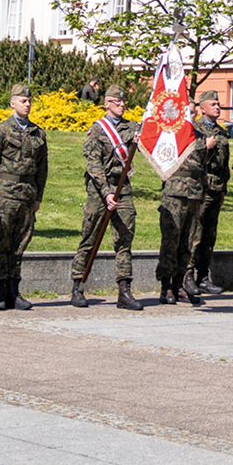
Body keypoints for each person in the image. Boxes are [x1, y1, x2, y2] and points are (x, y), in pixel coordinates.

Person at [0, 84, 48, 312]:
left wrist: (38, 196)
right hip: (4, 194)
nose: (27, 104)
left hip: (27, 194)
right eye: (22, 101)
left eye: (29, 101)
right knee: (1, 244)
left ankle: (14, 291)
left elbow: (42, 169)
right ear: (12, 103)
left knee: (20, 245)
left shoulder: (38, 133)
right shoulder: (1, 131)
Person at [77, 84, 140, 310]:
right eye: (116, 101)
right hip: (99, 189)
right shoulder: (97, 130)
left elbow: (145, 147)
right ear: (106, 103)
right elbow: (93, 164)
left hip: (122, 187)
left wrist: (142, 138)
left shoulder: (132, 128)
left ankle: (124, 290)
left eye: (123, 101)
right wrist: (106, 193)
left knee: (124, 238)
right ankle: (78, 285)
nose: (121, 104)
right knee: (90, 236)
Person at [154, 91, 212, 308]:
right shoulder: (170, 133)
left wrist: (203, 196)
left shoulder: (200, 134)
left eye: (194, 106)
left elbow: (203, 169)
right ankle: (166, 285)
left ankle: (180, 283)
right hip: (175, 192)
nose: (193, 109)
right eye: (188, 106)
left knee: (189, 243)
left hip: (194, 193)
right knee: (171, 241)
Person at [188, 90, 233, 295]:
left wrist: (223, 188)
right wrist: (204, 147)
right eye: (213, 104)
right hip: (200, 186)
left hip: (216, 188)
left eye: (218, 103)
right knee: (195, 233)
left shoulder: (222, 132)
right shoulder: (194, 129)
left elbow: (224, 165)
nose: (217, 106)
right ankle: (187, 275)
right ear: (202, 108)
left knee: (209, 235)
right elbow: (189, 159)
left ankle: (203, 276)